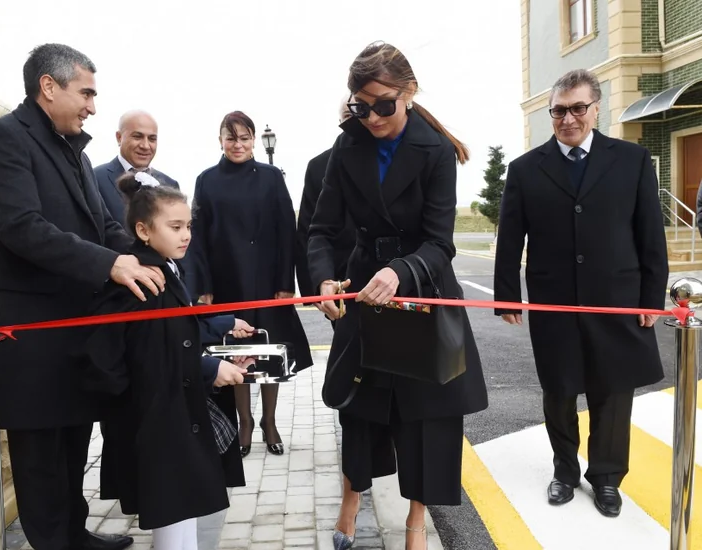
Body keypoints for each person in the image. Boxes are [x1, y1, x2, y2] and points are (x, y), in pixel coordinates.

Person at [0, 44, 168, 550]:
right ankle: (55, 541)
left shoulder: (72, 148)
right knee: (41, 462)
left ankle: (74, 534)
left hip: (74, 336)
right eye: (87, 92)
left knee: (73, 447)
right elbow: (22, 228)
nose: (93, 106)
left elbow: (103, 227)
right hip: (29, 340)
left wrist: (150, 260)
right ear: (48, 87)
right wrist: (109, 264)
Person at [308, 42, 488, 550]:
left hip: (424, 292)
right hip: (365, 292)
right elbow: (321, 229)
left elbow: (441, 242)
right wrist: (323, 278)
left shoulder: (434, 151)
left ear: (409, 93)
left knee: (426, 416)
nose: (372, 117)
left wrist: (401, 271)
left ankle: (415, 522)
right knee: (360, 407)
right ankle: (350, 500)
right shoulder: (348, 147)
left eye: (383, 104)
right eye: (360, 106)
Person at [494, 68, 668, 518]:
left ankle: (607, 478)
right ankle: (565, 471)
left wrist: (651, 297)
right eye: (558, 110)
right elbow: (510, 236)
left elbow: (650, 234)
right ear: (550, 114)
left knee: (613, 391)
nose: (568, 118)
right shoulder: (525, 169)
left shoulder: (632, 161)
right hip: (555, 301)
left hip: (618, 299)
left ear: (596, 108)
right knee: (559, 390)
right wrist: (507, 295)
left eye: (577, 108)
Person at [82, 172, 248, 549]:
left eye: (188, 225)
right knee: (175, 512)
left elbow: (177, 336)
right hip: (158, 417)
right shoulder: (146, 280)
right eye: (175, 227)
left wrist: (216, 353)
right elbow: (152, 354)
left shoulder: (162, 268)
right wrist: (210, 368)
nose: (186, 234)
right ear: (143, 230)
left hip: (169, 412)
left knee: (183, 507)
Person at [190, 111, 313, 457]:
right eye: (231, 138)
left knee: (269, 353)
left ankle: (269, 422)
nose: (238, 144)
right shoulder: (206, 180)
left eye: (244, 138)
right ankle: (244, 422)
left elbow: (286, 231)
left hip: (266, 280)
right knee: (237, 354)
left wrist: (285, 282)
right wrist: (204, 285)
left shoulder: (272, 177)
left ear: (254, 140)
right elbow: (197, 237)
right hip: (226, 281)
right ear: (220, 141)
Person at [295, 97, 355, 321]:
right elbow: (308, 231)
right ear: (340, 121)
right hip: (338, 282)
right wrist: (315, 289)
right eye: (348, 116)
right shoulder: (318, 166)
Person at [95, 110, 179, 229]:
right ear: (119, 138)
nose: (145, 146)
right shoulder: (95, 179)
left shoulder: (170, 184)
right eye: (137, 137)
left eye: (152, 139)